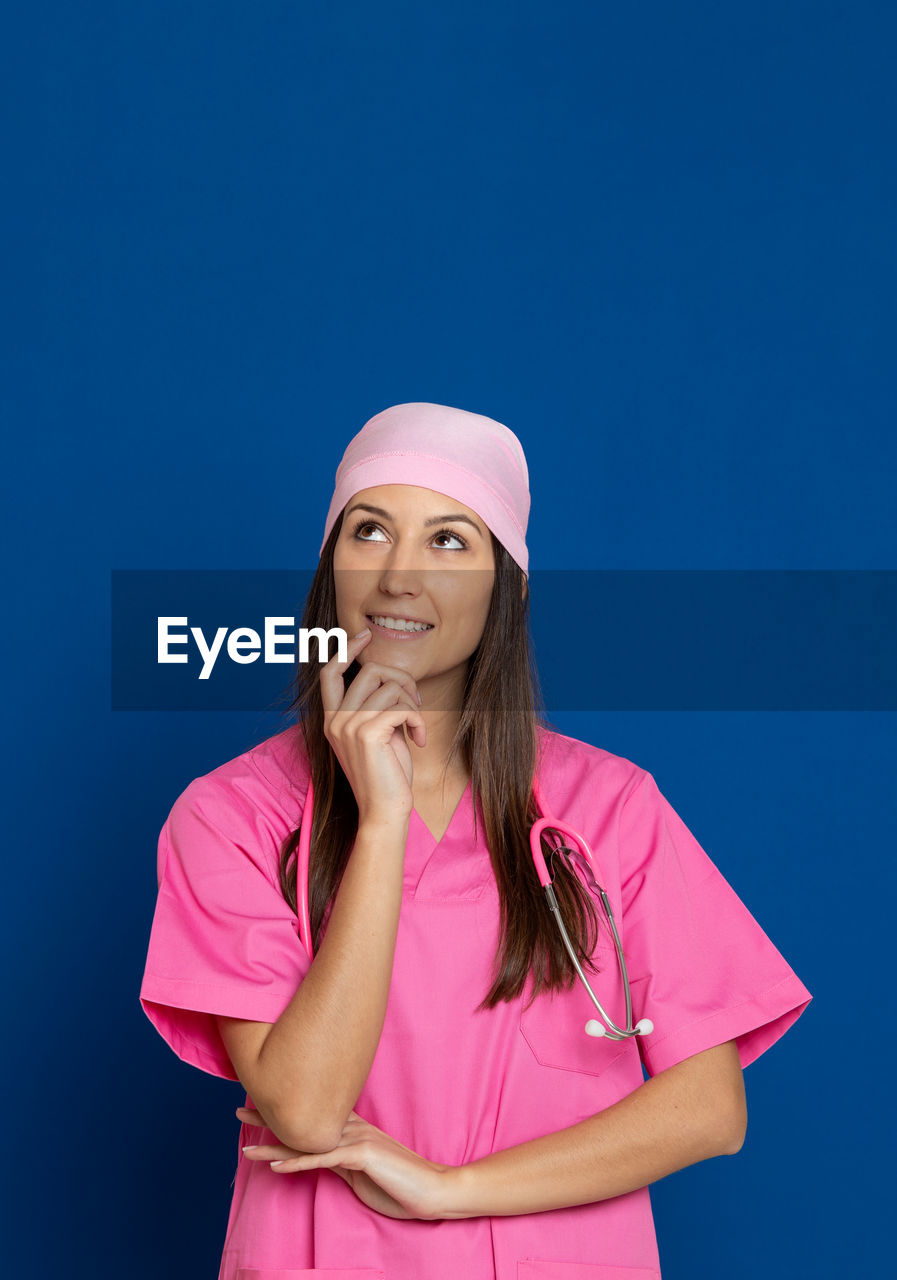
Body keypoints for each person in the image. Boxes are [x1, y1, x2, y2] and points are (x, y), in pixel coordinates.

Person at [138, 402, 812, 1280]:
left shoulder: (609, 808)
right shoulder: (232, 816)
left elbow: (708, 1110)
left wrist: (449, 1189)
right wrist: (379, 819)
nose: (398, 577)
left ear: (508, 584)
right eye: (369, 531)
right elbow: (303, 1111)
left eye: (450, 540)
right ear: (327, 567)